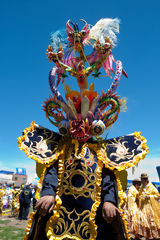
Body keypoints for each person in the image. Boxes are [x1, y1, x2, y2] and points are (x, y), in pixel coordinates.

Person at [136, 173, 160, 239]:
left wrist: (149, 196)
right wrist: (141, 197)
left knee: (151, 222)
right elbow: (139, 196)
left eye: (141, 180)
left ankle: (155, 235)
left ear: (145, 180)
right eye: (141, 179)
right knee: (144, 222)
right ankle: (147, 235)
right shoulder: (141, 188)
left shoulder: (152, 187)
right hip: (143, 207)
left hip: (150, 207)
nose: (141, 181)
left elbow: (158, 196)